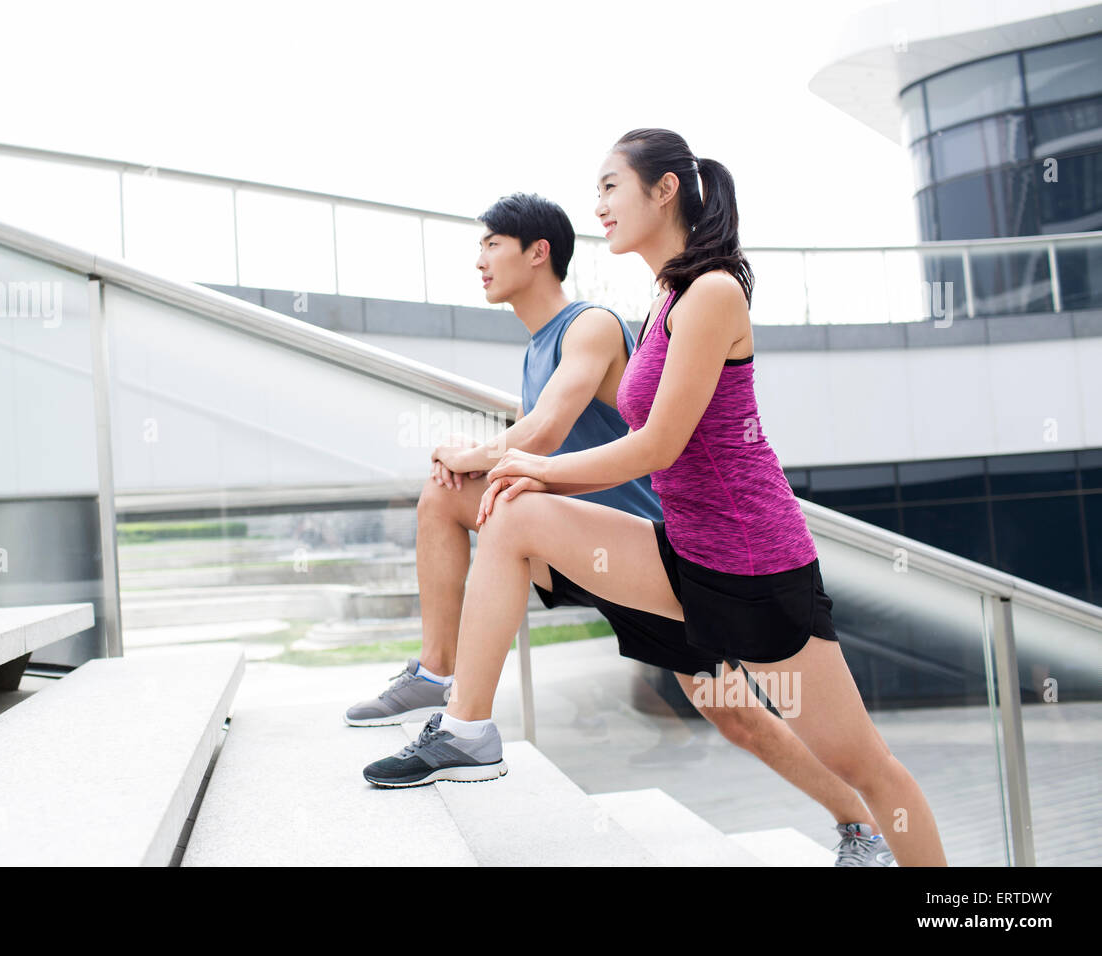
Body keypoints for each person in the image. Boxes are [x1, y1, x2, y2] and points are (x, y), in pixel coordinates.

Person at [353, 190, 905, 865]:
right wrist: (471, 469)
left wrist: (470, 453)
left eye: (491, 245)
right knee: (445, 501)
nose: (480, 262)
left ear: (538, 252)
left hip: (644, 551)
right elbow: (538, 443)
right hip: (579, 541)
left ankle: (863, 826)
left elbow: (546, 430)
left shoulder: (590, 325)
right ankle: (439, 679)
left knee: (738, 717)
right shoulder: (535, 349)